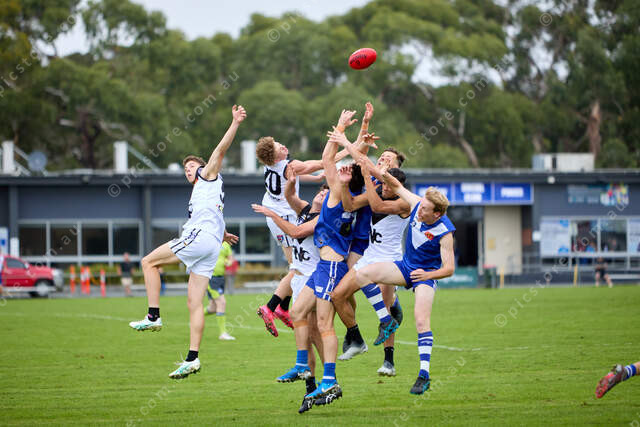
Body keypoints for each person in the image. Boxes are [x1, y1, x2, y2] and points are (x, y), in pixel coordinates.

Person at [128, 105, 245, 379]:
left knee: (148, 262)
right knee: (194, 302)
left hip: (198, 239)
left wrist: (235, 123)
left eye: (192, 166)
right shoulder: (204, 191)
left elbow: (220, 150)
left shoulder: (207, 175)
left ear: (203, 167)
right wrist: (224, 234)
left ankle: (153, 315)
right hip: (211, 246)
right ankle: (193, 358)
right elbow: (215, 214)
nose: (188, 170)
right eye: (185, 168)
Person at [339, 160, 455, 395]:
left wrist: (428, 274)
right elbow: (394, 183)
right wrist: (374, 169)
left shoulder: (445, 231)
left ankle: (423, 375)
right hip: (405, 267)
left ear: (437, 213)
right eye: (421, 206)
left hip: (425, 276)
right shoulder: (416, 204)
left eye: (425, 210)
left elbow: (449, 269)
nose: (419, 211)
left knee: (421, 322)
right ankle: (386, 320)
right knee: (364, 274)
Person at [255, 131, 368, 337]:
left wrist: (314, 177)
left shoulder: (270, 165)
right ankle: (271, 307)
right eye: (278, 146)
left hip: (273, 212)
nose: (283, 146)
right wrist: (352, 147)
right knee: (296, 267)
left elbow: (297, 172)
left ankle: (283, 307)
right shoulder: (289, 165)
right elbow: (325, 161)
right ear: (275, 157)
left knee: (296, 264)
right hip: (283, 215)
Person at [291, 110, 363, 413]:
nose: (340, 169)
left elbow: (326, 158)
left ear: (349, 179)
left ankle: (330, 380)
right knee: (297, 311)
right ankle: (301, 365)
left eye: (347, 170)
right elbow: (331, 160)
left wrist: (341, 128)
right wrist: (355, 136)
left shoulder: (338, 193)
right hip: (324, 266)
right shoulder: (344, 195)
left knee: (323, 324)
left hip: (332, 267)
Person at [333, 134, 407, 370]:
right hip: (369, 252)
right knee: (337, 295)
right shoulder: (377, 186)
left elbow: (377, 204)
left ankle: (389, 361)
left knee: (385, 307)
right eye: (381, 157)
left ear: (396, 168)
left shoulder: (401, 195)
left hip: (390, 260)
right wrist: (345, 184)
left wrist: (347, 143)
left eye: (388, 159)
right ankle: (356, 338)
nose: (383, 160)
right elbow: (351, 205)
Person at [252, 179, 329, 396]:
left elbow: (295, 232)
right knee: (309, 334)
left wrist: (272, 214)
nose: (323, 193)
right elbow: (289, 197)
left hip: (313, 279)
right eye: (322, 190)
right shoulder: (306, 210)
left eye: (328, 194)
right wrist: (290, 180)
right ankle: (311, 385)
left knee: (313, 332)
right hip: (298, 279)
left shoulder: (324, 218)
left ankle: (327, 378)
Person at [205, 240, 236, 341]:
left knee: (212, 308)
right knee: (222, 302)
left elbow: (230, 257)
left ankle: (196, 317)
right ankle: (223, 334)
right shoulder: (208, 240)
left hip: (221, 278)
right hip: (211, 277)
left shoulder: (226, 244)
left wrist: (228, 262)